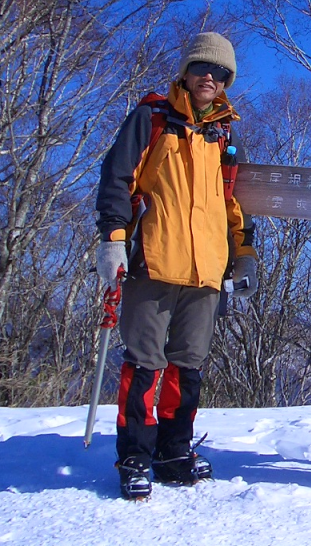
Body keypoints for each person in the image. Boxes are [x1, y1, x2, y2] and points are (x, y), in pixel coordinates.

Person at [95, 31, 257, 500]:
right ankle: (135, 457)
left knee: (188, 365)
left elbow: (235, 204)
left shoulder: (224, 132)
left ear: (228, 81)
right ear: (186, 71)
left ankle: (173, 451)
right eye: (203, 68)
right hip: (155, 262)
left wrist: (242, 255)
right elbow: (118, 180)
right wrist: (113, 239)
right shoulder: (152, 117)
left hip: (207, 270)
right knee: (145, 363)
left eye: (221, 72)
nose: (210, 77)